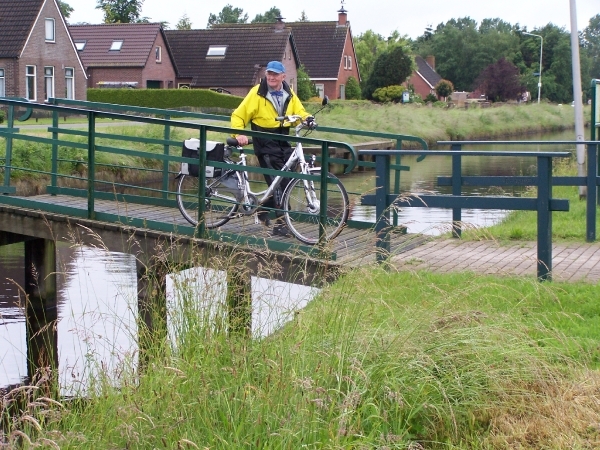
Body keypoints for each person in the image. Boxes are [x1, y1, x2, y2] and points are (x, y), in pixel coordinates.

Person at [231, 60, 314, 237]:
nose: (271, 77)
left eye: (275, 74)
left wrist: (308, 119)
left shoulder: (289, 93)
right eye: (269, 73)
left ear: (283, 77)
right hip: (264, 141)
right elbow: (238, 115)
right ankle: (282, 224)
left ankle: (263, 208)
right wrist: (238, 135)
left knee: (290, 177)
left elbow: (300, 112)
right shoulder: (257, 93)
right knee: (279, 182)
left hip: (283, 140)